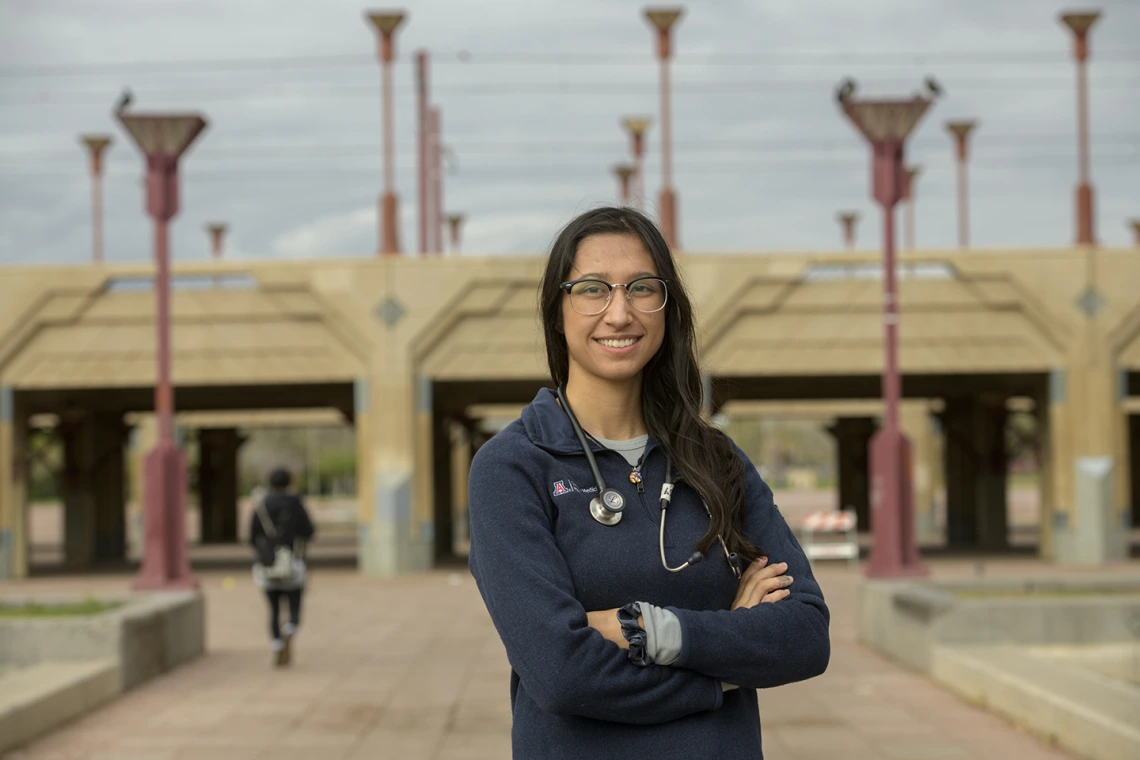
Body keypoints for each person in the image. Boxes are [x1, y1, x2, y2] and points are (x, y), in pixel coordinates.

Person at [468, 207, 830, 758]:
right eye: (592, 289)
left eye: (642, 288)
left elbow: (805, 635)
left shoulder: (716, 461)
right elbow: (562, 674)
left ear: (667, 307)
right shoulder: (513, 468)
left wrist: (653, 631)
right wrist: (727, 657)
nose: (619, 313)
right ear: (556, 309)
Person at [249, 467, 315, 667]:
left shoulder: (262, 506)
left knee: (274, 609)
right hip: (293, 564)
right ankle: (290, 629)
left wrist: (267, 551)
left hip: (268, 566)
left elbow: (253, 537)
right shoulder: (296, 505)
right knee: (294, 607)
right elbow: (309, 532)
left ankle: (277, 644)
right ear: (289, 482)